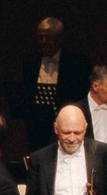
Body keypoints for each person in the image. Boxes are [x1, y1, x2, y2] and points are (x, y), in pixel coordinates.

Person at [20, 17, 87, 145]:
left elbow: (79, 94)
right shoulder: (30, 62)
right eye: (41, 37)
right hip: (36, 125)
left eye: (49, 38)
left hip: (65, 124)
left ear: (59, 39)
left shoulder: (76, 63)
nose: (44, 42)